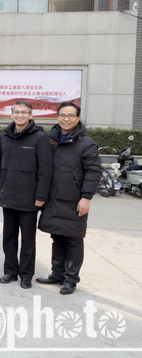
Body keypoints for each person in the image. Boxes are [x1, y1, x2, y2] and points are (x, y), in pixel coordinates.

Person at [37, 102, 102, 295]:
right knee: (57, 236)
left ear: (78, 118)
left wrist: (86, 197)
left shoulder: (86, 143)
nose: (66, 119)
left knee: (74, 239)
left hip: (74, 200)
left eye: (71, 115)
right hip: (54, 198)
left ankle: (71, 279)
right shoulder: (51, 140)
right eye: (62, 115)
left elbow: (93, 172)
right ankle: (57, 274)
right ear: (57, 117)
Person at [0, 100, 52, 289]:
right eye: (16, 112)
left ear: (30, 115)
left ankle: (26, 275)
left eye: (24, 112)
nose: (20, 115)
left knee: (28, 239)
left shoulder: (40, 137)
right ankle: (10, 271)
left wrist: (41, 195)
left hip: (29, 198)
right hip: (8, 195)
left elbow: (45, 169)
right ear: (11, 114)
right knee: (8, 237)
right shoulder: (5, 136)